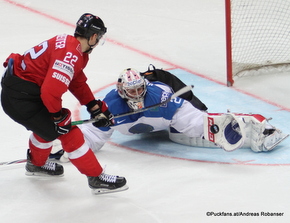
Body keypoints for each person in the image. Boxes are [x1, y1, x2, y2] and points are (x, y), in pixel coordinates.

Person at [1, 13, 128, 194]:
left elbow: (76, 82)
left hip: (20, 92)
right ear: (93, 36)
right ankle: (96, 178)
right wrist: (59, 117)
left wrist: (93, 106)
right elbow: (50, 92)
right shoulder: (71, 54)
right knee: (67, 131)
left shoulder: (72, 46)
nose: (98, 42)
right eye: (98, 38)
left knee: (48, 127)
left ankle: (36, 165)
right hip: (21, 99)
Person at [52, 67, 288, 162]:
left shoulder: (161, 95)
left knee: (200, 126)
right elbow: (93, 137)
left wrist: (208, 124)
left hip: (168, 107)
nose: (136, 95)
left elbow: (193, 120)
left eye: (139, 90)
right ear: (121, 91)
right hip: (152, 130)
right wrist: (71, 149)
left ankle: (258, 127)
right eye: (130, 91)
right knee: (176, 135)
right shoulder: (110, 106)